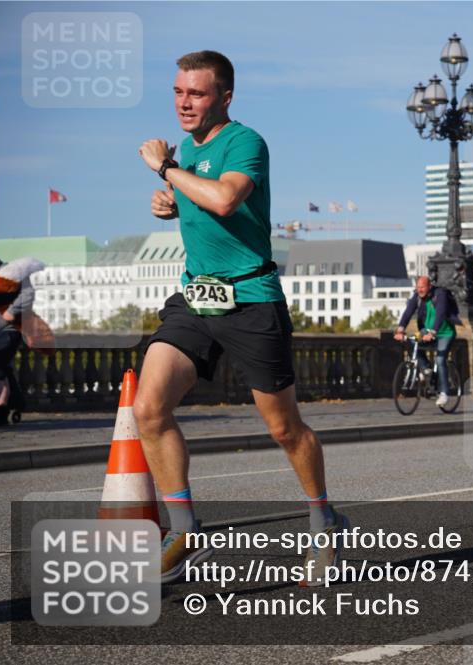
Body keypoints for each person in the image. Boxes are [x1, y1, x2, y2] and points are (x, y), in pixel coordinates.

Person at [137, 50, 346, 584]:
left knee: (284, 428)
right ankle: (185, 532)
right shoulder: (186, 148)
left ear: (225, 97)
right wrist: (172, 204)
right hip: (195, 297)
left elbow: (227, 200)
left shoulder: (245, 142)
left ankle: (323, 521)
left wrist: (167, 169)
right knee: (148, 408)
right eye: (178, 92)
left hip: (250, 297)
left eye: (197, 93)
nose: (184, 103)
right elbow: (202, 204)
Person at [0, 251, 53, 425]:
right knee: (1, 367)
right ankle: (9, 404)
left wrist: (11, 313)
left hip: (9, 329)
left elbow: (27, 294)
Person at [394, 276, 459, 406]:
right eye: (418, 287)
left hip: (445, 333)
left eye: (422, 287)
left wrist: (433, 332)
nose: (420, 290)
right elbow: (408, 312)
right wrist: (400, 330)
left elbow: (441, 313)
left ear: (429, 286)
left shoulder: (440, 294)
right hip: (426, 332)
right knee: (411, 341)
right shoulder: (417, 296)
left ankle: (444, 393)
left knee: (440, 360)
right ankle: (426, 367)